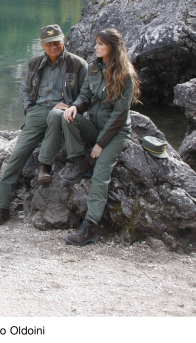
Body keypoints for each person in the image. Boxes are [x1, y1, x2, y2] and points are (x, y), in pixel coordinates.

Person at [0, 24, 88, 226]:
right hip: (37, 111)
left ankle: (44, 165)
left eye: (57, 42)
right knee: (17, 155)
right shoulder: (34, 63)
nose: (53, 47)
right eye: (48, 43)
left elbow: (87, 94)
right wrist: (29, 108)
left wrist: (72, 106)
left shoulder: (77, 64)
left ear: (64, 40)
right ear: (42, 44)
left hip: (62, 111)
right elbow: (25, 89)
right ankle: (1, 206)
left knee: (56, 116)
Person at [61, 28, 140, 245]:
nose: (95, 47)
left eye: (100, 44)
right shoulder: (94, 68)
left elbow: (119, 116)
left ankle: (91, 227)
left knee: (100, 175)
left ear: (112, 48)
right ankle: (80, 162)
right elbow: (86, 94)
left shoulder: (125, 76)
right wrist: (75, 106)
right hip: (95, 126)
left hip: (115, 133)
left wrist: (100, 144)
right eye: (96, 43)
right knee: (66, 117)